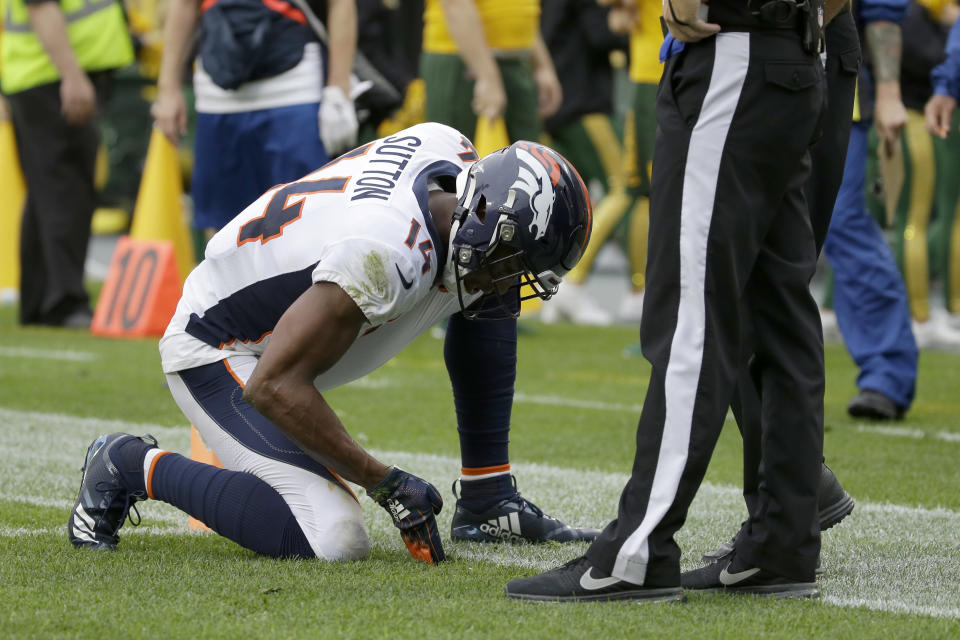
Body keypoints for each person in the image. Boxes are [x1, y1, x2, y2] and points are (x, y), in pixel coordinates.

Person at [67, 124, 598, 562]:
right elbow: (274, 385)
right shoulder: (382, 252)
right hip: (226, 350)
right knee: (336, 536)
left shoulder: (451, 156)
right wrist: (383, 482)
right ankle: (127, 463)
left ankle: (488, 497)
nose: (513, 285)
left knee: (484, 284)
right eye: (517, 267)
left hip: (314, 304)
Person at [506, 0, 833, 601]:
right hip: (795, 55)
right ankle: (783, 543)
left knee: (692, 315)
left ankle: (638, 550)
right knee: (779, 313)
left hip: (732, 54)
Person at [151, 0, 359, 240]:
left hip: (294, 87)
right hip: (218, 91)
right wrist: (168, 88)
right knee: (224, 233)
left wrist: (338, 89)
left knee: (305, 224)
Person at [1, 0, 133, 328]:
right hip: (52, 77)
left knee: (48, 194)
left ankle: (41, 303)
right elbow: (41, 7)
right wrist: (71, 77)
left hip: (46, 75)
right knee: (66, 191)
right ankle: (64, 303)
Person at [824, 0, 917, 420]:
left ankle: (887, 372)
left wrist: (890, 92)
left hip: (836, 85)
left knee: (842, 223)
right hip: (749, 81)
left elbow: (883, 7)